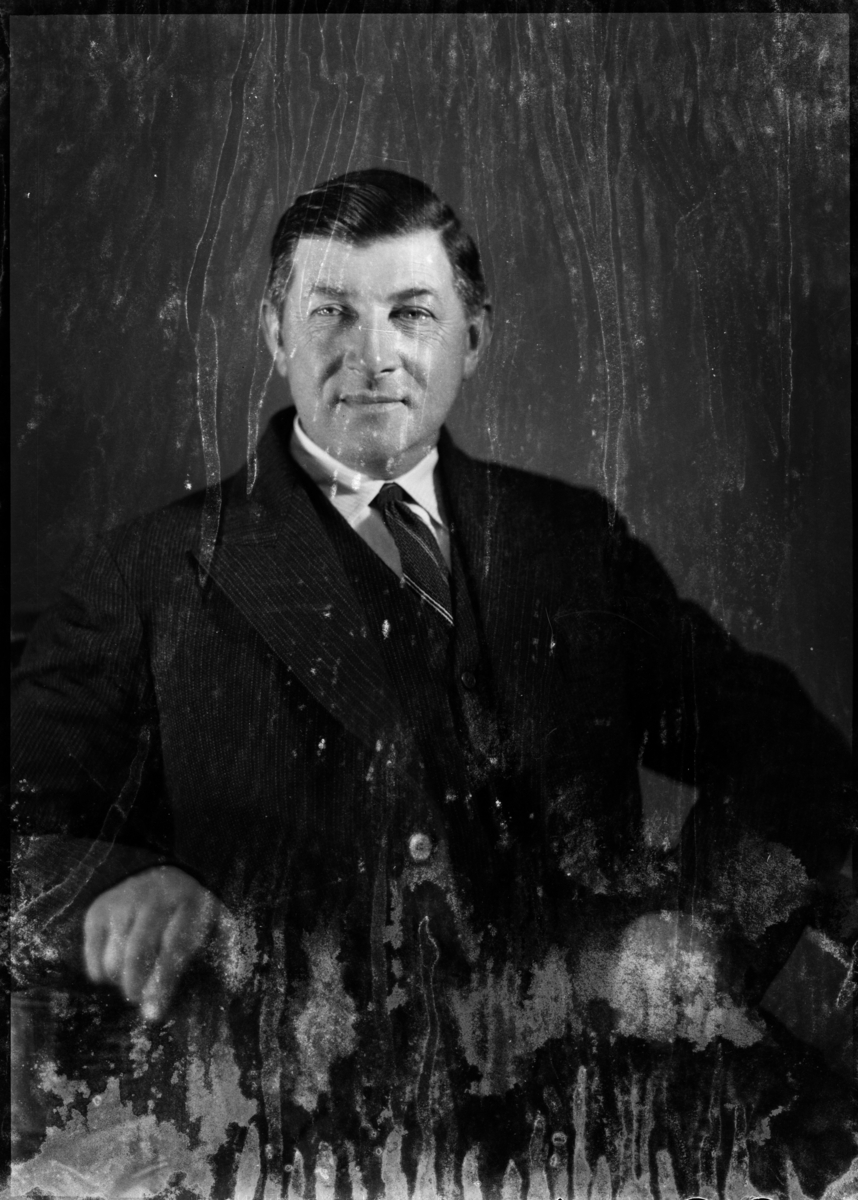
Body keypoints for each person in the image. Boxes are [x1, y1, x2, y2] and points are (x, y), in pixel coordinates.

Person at [11, 169, 855, 1198]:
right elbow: (20, 828)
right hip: (291, 1127)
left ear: (474, 338)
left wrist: (702, 925)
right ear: (275, 332)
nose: (374, 355)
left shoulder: (570, 544)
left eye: (412, 313)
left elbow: (794, 757)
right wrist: (115, 885)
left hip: (612, 1110)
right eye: (332, 313)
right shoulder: (149, 573)